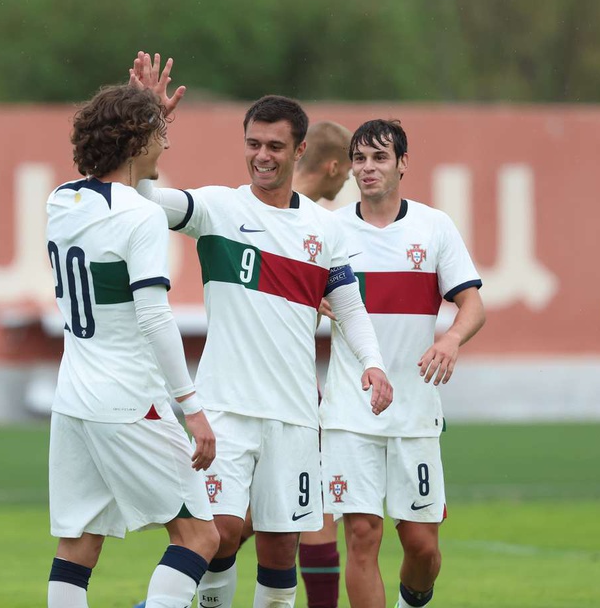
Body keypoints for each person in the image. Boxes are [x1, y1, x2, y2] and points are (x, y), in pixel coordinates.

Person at [130, 52, 393, 608]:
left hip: (295, 416)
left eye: (275, 146)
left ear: (299, 150)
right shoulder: (217, 209)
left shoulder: (324, 229)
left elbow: (349, 306)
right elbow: (143, 195)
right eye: (253, 144)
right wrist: (146, 122)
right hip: (226, 408)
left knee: (279, 551)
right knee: (220, 533)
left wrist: (372, 363)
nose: (262, 156)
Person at [45, 82, 219, 608]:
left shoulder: (61, 199)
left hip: (73, 398)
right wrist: (191, 408)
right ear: (140, 138)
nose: (166, 146)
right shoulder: (139, 216)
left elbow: (117, 194)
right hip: (128, 400)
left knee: (77, 544)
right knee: (199, 537)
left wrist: (142, 114)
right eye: (160, 135)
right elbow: (155, 318)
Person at [321, 119, 486, 608]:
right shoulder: (330, 230)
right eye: (360, 158)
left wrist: (452, 339)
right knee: (363, 537)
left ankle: (412, 599)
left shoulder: (434, 227)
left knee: (422, 546)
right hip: (351, 412)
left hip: (415, 411)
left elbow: (473, 304)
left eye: (379, 158)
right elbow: (297, 293)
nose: (367, 168)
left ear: (402, 164)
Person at [238, 119, 354, 608]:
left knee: (271, 517)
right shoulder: (299, 223)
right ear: (332, 166)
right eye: (348, 169)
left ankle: (171, 593)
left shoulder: (311, 228)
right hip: (270, 395)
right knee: (265, 519)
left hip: (278, 388)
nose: (347, 179)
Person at [293, 121, 353, 203]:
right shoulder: (311, 214)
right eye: (348, 169)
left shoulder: (272, 202)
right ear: (333, 168)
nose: (347, 177)